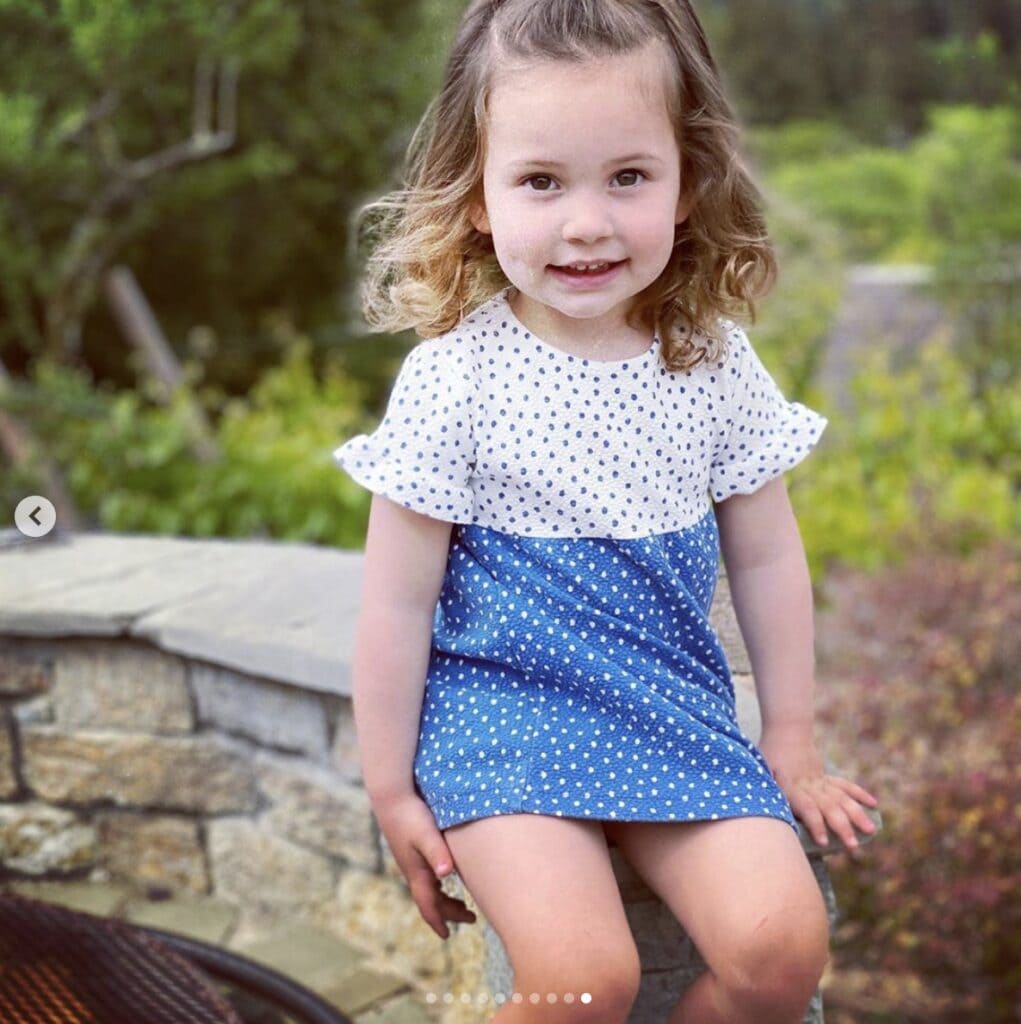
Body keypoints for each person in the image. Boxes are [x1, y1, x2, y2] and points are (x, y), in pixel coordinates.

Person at [334, 1, 879, 1021]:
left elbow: (765, 559)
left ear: (686, 183)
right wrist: (390, 789)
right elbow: (393, 606)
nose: (586, 222)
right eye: (541, 181)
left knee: (782, 947)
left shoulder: (710, 357)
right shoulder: (455, 376)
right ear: (480, 195)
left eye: (628, 176)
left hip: (669, 710)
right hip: (506, 719)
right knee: (585, 982)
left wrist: (791, 739)